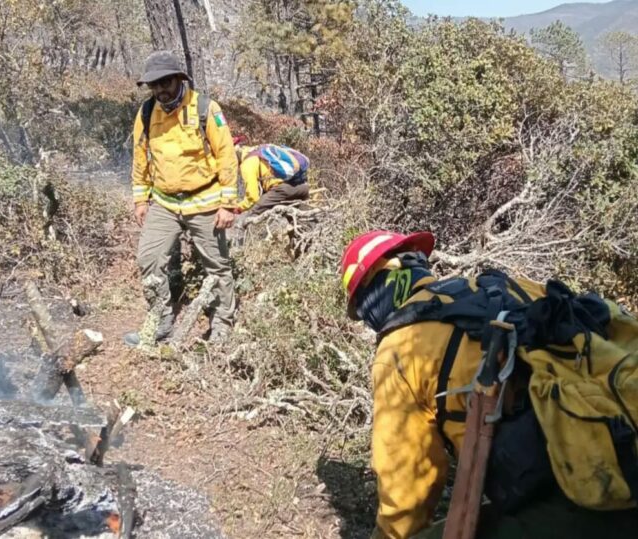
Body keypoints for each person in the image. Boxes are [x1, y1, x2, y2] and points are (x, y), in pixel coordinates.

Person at [340, 231, 638, 539]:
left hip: (584, 501)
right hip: (625, 456)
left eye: (362, 311)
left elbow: (405, 495)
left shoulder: (399, 347)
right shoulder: (509, 287)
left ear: (374, 292)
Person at [124, 51, 238, 347]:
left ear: (179, 79)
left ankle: (222, 326)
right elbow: (140, 156)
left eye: (166, 82)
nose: (161, 90)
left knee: (217, 265)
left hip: (205, 200)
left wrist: (228, 204)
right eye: (154, 85)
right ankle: (160, 321)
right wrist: (140, 199)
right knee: (149, 258)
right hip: (164, 202)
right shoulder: (147, 112)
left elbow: (226, 155)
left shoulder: (205, 108)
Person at [234, 139, 310, 217]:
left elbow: (253, 198)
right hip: (302, 187)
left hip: (283, 189)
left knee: (252, 215)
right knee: (303, 219)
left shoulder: (247, 163)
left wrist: (238, 208)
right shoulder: (259, 151)